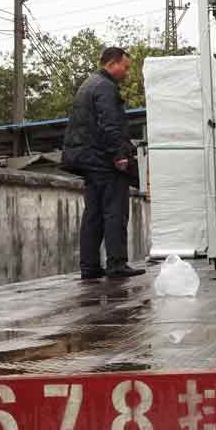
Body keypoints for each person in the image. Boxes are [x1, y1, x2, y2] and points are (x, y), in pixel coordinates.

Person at [62, 46, 145, 280]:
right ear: (112, 64)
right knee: (114, 211)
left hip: (88, 160)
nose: (127, 73)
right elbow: (110, 124)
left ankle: (89, 267)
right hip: (104, 159)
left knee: (94, 213)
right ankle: (117, 264)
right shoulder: (106, 87)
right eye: (125, 67)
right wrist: (119, 155)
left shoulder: (88, 85)